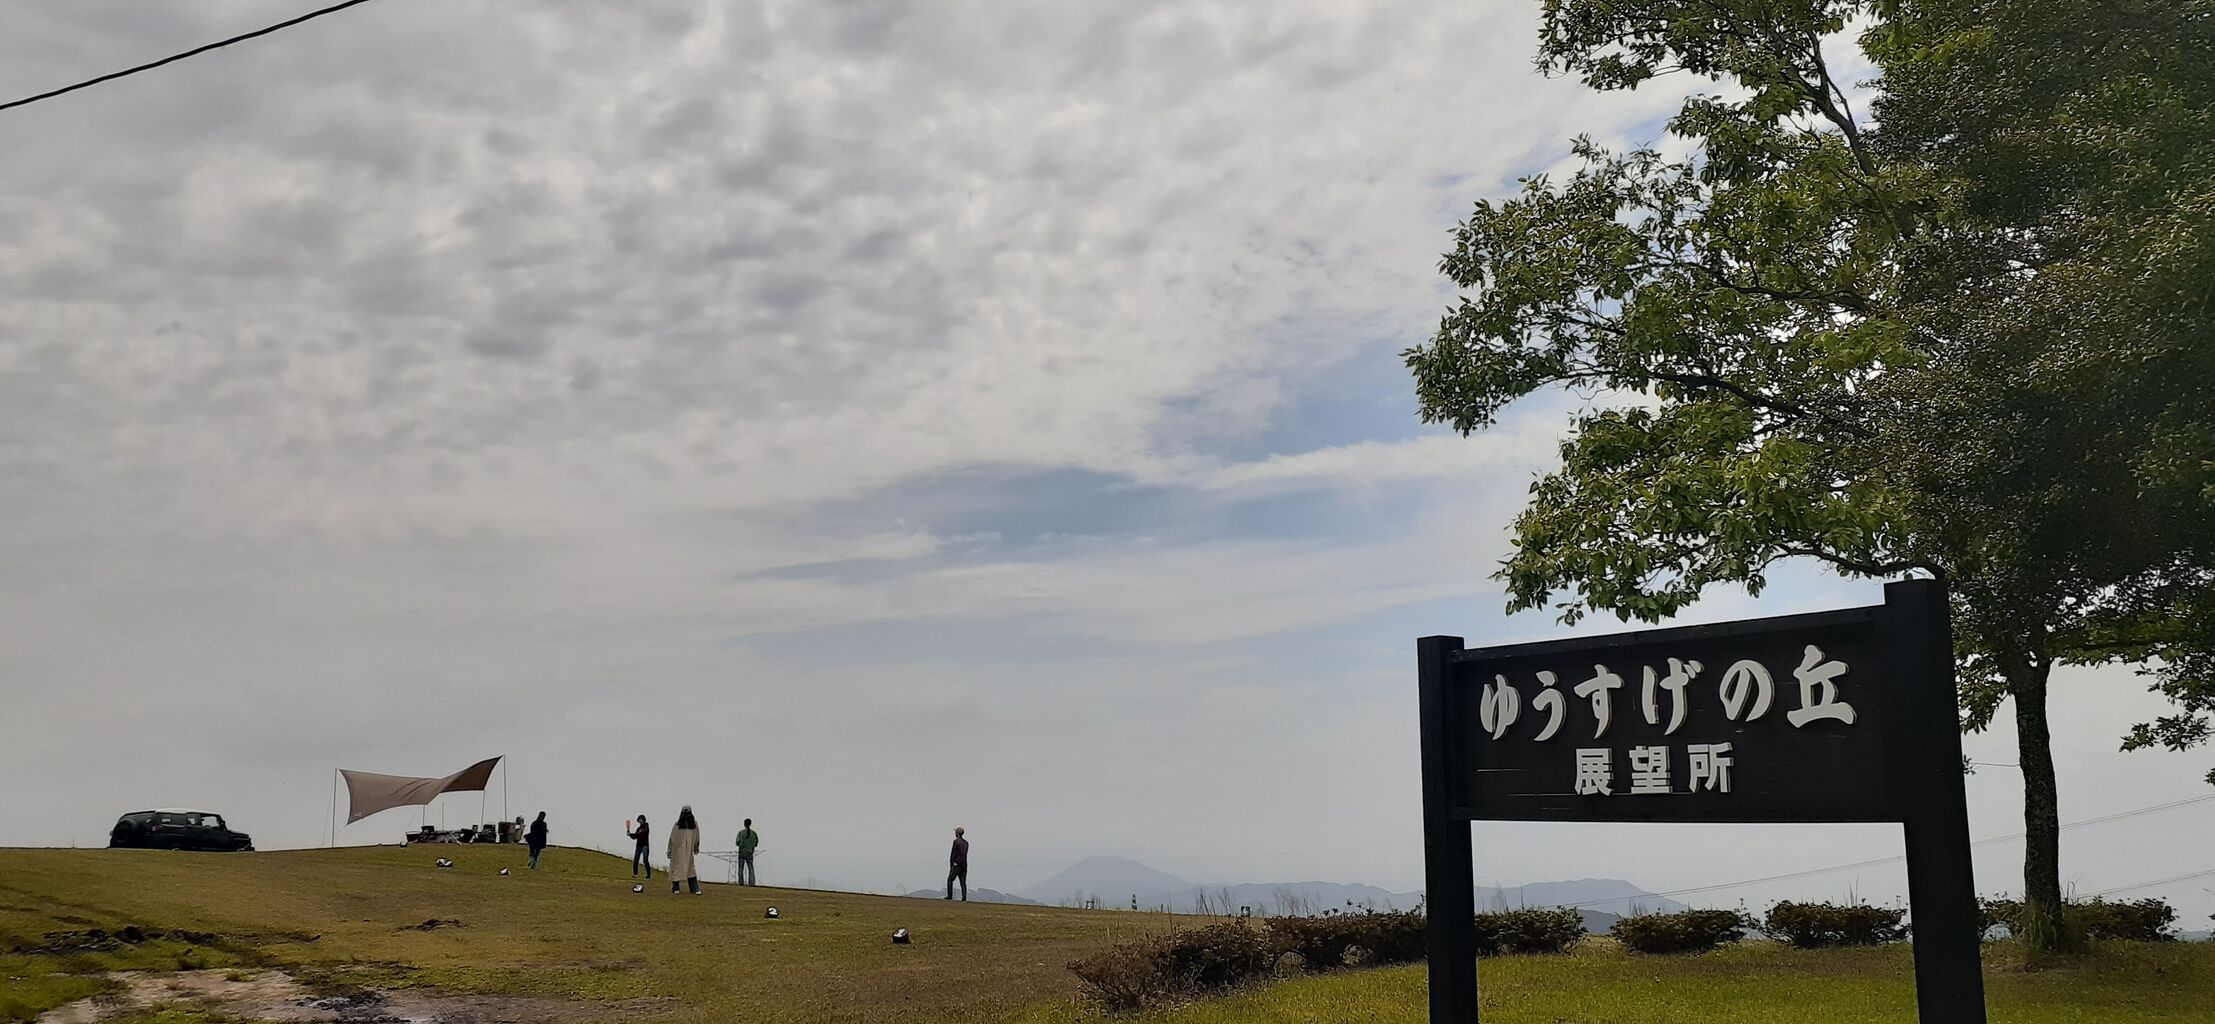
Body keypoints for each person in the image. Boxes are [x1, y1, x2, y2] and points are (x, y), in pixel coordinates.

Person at [667, 805, 702, 895]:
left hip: (688, 852)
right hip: (677, 852)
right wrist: (669, 850)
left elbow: (697, 837)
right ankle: (676, 888)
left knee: (690, 869)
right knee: (677, 869)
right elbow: (672, 839)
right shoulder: (677, 826)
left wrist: (696, 847)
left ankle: (694, 888)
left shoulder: (694, 825)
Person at [944, 826, 968, 901]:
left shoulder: (956, 842)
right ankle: (964, 897)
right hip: (964, 865)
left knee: (950, 879)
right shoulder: (966, 843)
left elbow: (953, 853)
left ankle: (949, 896)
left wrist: (951, 863)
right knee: (963, 882)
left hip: (956, 864)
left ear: (957, 833)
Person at [735, 819, 759, 886]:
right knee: (751, 868)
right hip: (750, 853)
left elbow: (737, 843)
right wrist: (751, 846)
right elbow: (756, 843)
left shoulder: (741, 833)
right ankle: (751, 883)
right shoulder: (754, 833)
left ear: (744, 824)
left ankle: (741, 883)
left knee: (741, 869)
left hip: (742, 853)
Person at [629, 814, 652, 878]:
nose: (639, 821)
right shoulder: (638, 829)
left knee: (645, 860)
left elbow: (640, 834)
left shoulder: (646, 827)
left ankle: (648, 875)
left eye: (640, 820)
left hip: (645, 846)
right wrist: (630, 834)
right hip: (638, 846)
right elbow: (635, 837)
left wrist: (632, 834)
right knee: (636, 860)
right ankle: (635, 874)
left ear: (643, 820)